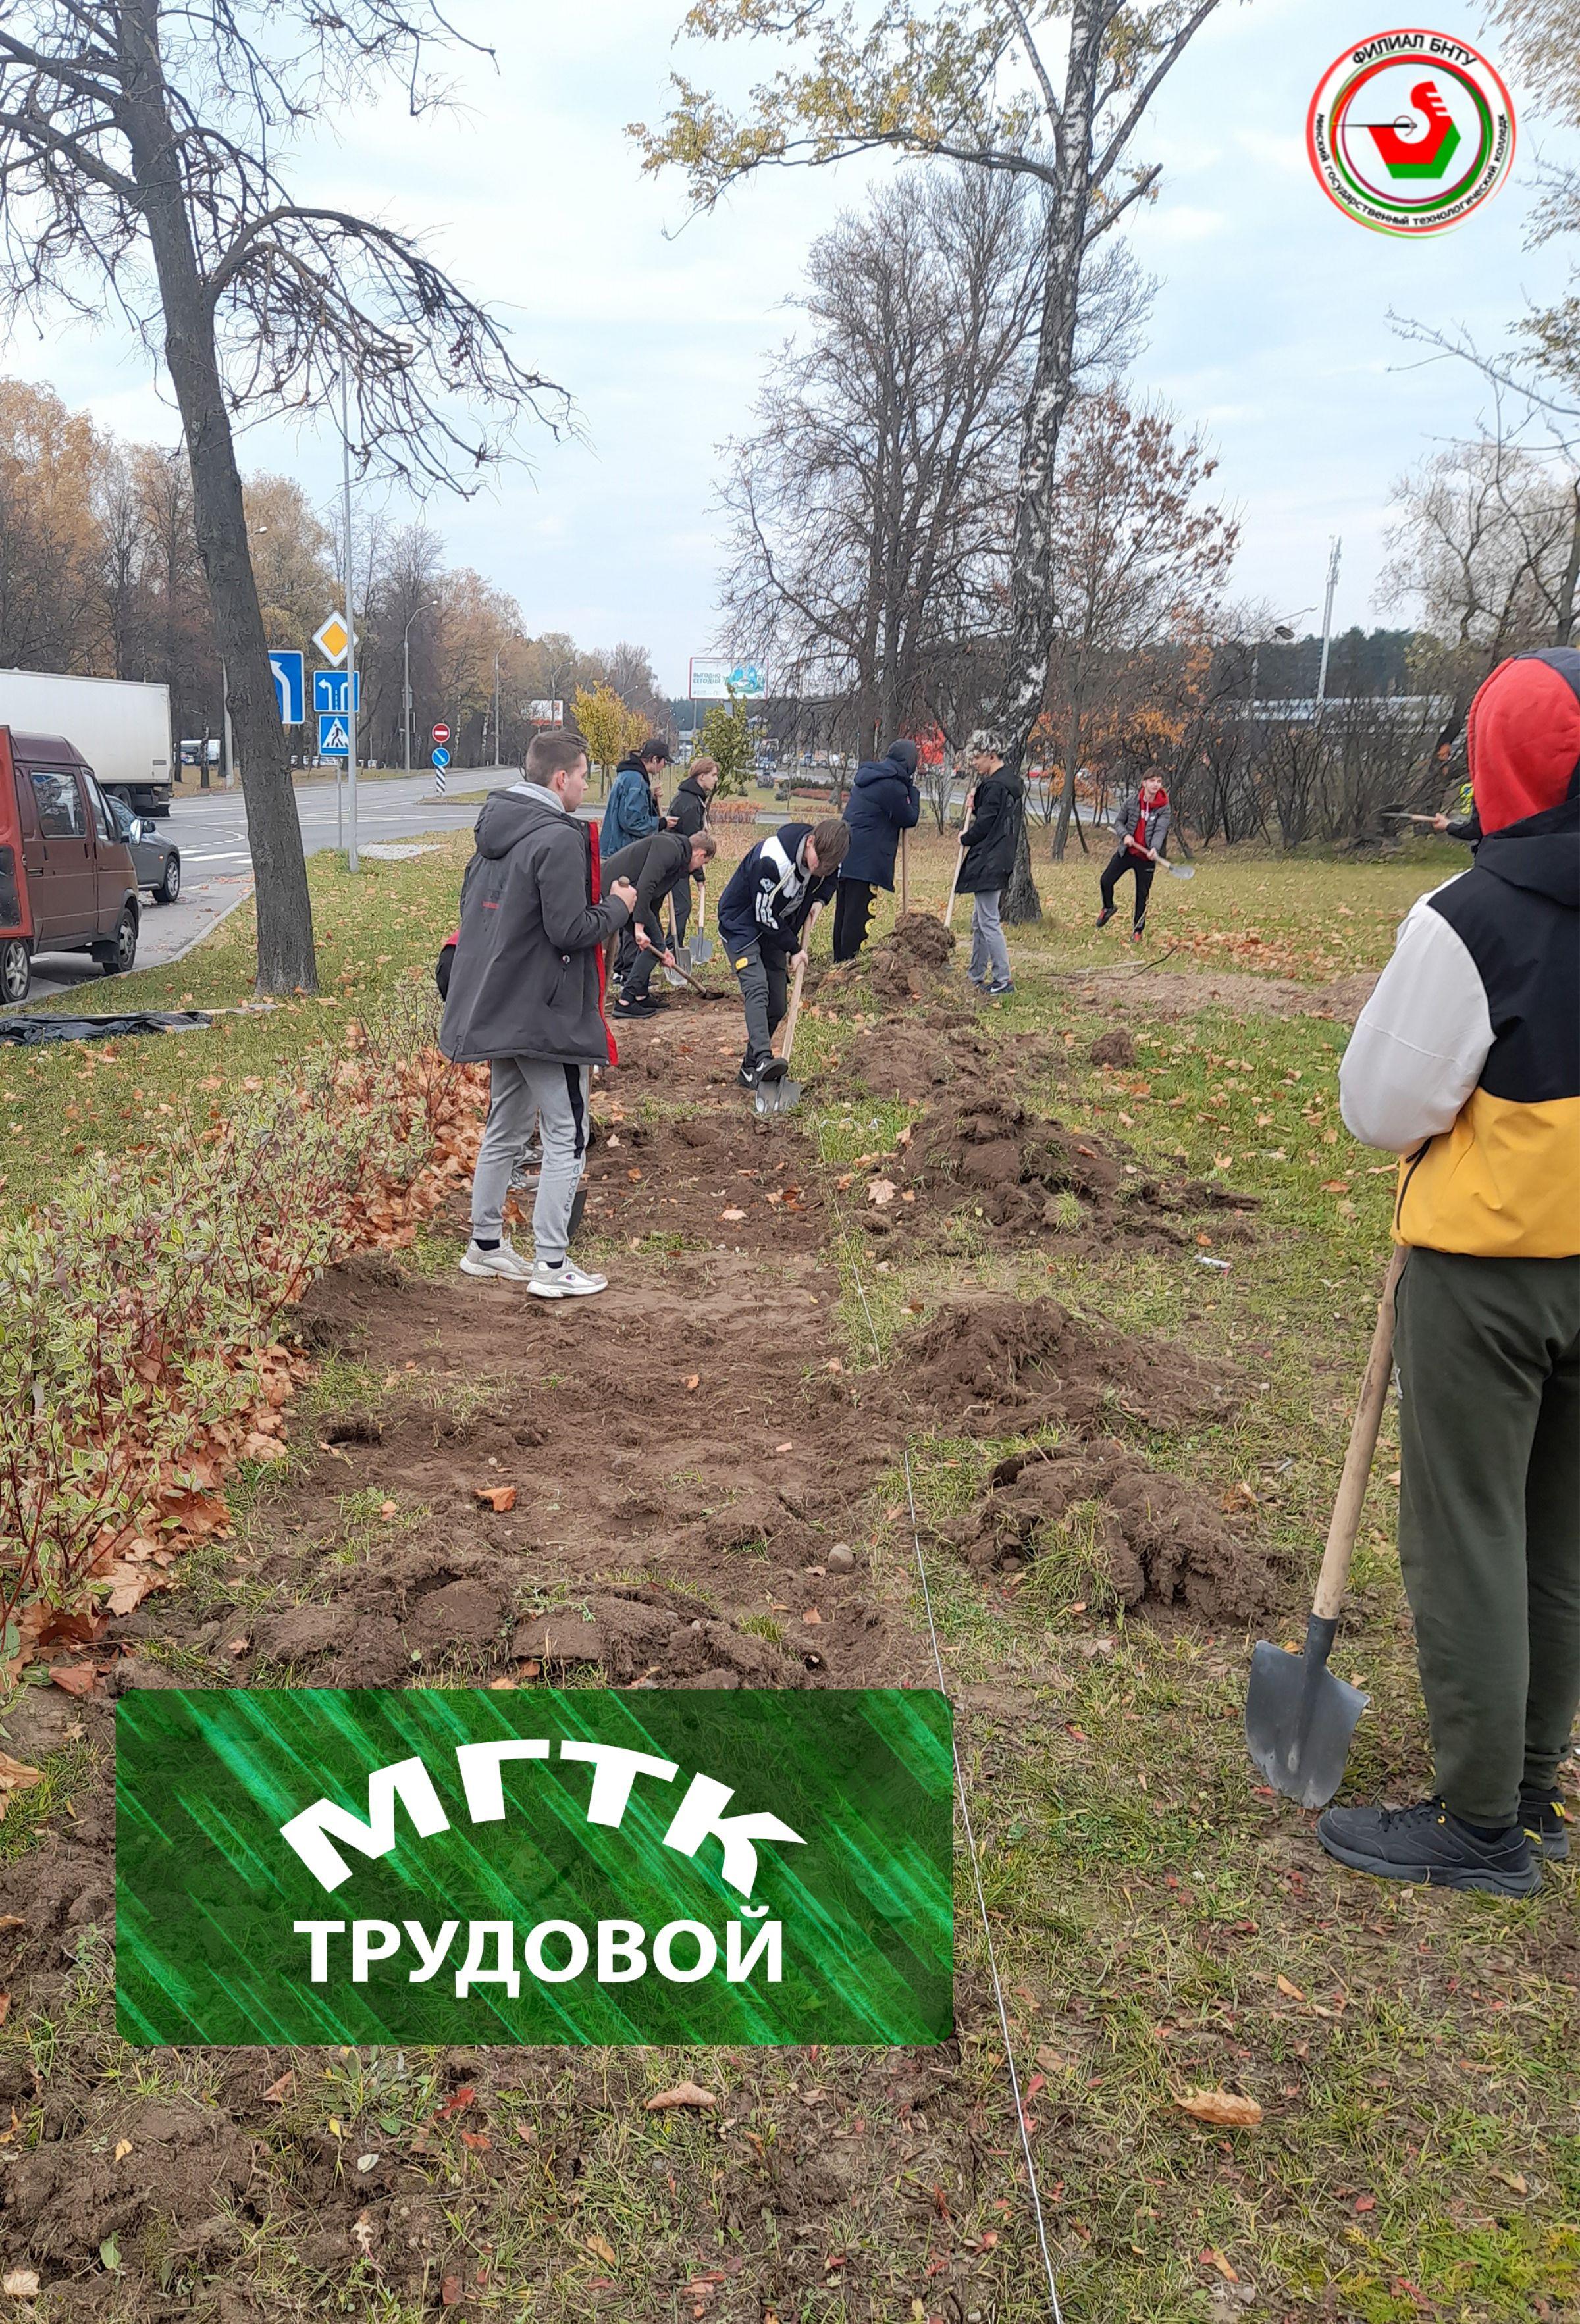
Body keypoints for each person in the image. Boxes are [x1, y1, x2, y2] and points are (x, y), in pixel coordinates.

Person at [1321, 644, 1580, 1896]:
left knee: (1470, 1526)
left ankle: (1479, 1828)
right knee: (1559, 1531)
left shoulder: (1469, 917)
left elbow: (1379, 1105)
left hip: (1493, 1272)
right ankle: (1533, 1785)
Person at [440, 728, 637, 1298]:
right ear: (560, 778)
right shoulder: (556, 838)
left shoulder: (496, 833)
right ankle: (551, 1264)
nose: (585, 783)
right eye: (582, 774)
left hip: (501, 1004)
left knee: (505, 1124)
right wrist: (618, 909)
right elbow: (569, 930)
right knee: (567, 1131)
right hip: (545, 1015)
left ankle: (484, 1246)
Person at [719, 817, 850, 1089]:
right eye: (818, 864)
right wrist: (795, 948)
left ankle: (750, 1068)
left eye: (827, 868)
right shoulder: (773, 860)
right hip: (742, 926)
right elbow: (763, 915)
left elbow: (830, 880)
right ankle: (765, 1059)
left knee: (777, 1004)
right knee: (757, 988)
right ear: (811, 841)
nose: (820, 871)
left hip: (776, 932)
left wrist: (819, 901)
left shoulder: (826, 862)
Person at [602, 825, 718, 1017]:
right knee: (654, 943)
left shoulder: (679, 862)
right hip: (617, 890)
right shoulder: (669, 849)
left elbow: (654, 901)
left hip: (636, 898)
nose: (700, 868)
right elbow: (646, 886)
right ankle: (625, 1001)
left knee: (657, 944)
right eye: (704, 862)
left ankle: (640, 995)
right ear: (700, 854)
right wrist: (640, 929)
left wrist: (661, 947)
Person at [833, 737, 922, 960]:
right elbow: (909, 817)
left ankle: (840, 959)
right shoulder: (892, 785)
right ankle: (848, 961)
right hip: (866, 859)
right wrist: (914, 792)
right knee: (858, 914)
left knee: (845, 910)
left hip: (847, 850)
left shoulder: (871, 776)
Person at [955, 734, 1022, 998]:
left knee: (988, 921)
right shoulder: (1008, 783)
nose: (974, 763)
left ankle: (1003, 980)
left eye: (977, 757)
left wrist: (966, 837)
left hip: (991, 859)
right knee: (979, 920)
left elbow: (986, 825)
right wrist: (976, 807)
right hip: (1000, 856)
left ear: (992, 756)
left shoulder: (995, 786)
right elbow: (992, 816)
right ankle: (975, 974)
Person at [1096, 773, 1171, 939]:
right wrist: (1125, 836)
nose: (1155, 785)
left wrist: (1155, 848)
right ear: (1144, 783)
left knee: (1142, 896)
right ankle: (1108, 907)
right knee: (1106, 880)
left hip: (1147, 859)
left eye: (1159, 782)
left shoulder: (1163, 807)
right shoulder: (1132, 801)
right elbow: (1118, 823)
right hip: (1127, 852)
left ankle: (1138, 931)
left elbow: (1160, 830)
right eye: (1152, 781)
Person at [664, 755, 719, 955]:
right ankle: (671, 947)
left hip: (677, 858)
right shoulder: (690, 803)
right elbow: (693, 844)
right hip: (675, 861)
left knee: (681, 906)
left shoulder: (693, 798)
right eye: (713, 775)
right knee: (682, 906)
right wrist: (699, 876)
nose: (716, 780)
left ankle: (671, 945)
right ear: (701, 776)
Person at [600, 738, 673, 856]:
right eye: (665, 762)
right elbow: (633, 821)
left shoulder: (628, 775)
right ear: (655, 759)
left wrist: (650, 798)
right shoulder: (637, 781)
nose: (664, 766)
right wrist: (662, 823)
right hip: (621, 852)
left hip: (613, 848)